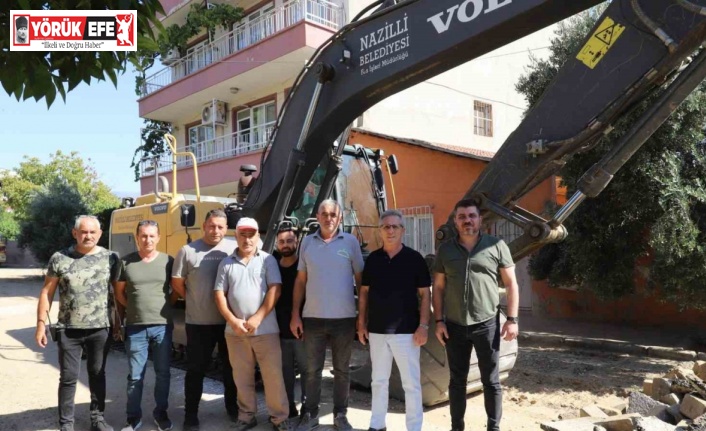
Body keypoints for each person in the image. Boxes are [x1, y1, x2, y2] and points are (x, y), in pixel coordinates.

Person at [432, 199, 520, 431]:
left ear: (480, 220)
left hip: (487, 324)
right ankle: (457, 427)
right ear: (455, 221)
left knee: (491, 381)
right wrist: (438, 321)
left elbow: (512, 284)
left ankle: (493, 427)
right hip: (454, 325)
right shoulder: (445, 250)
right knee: (457, 382)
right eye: (462, 217)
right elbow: (438, 287)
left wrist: (512, 320)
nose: (467, 220)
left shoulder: (497, 245)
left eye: (471, 216)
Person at [35, 215, 120, 431]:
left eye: (93, 232)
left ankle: (97, 419)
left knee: (98, 374)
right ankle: (66, 424)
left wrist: (119, 323)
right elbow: (47, 292)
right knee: (69, 378)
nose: (88, 236)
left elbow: (117, 293)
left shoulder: (111, 258)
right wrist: (40, 324)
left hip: (100, 329)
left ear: (100, 234)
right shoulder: (60, 258)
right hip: (68, 329)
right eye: (83, 232)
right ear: (75, 233)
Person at [291, 199, 364, 431]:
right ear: (318, 216)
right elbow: (300, 281)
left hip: (344, 320)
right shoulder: (307, 243)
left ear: (340, 217)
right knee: (311, 371)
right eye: (324, 213)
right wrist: (295, 314)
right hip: (312, 319)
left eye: (333, 213)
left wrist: (362, 316)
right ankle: (310, 414)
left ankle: (340, 415)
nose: (328, 217)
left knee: (342, 371)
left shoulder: (351, 242)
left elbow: (362, 282)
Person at [214, 217, 292, 431]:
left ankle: (279, 418)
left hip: (266, 330)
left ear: (258, 236)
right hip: (235, 332)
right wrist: (233, 320)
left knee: (273, 376)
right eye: (243, 234)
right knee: (242, 378)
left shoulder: (268, 260)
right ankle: (247, 416)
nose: (247, 239)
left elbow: (275, 289)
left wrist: (258, 317)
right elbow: (220, 294)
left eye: (251, 234)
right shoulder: (226, 263)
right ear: (236, 236)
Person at [357, 210, 431, 431]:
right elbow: (364, 293)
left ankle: (414, 427)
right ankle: (377, 425)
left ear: (402, 230)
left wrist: (424, 326)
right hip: (377, 332)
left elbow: (425, 294)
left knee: (411, 384)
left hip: (407, 332)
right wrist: (361, 323)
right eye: (386, 227)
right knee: (378, 382)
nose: (390, 231)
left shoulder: (414, 259)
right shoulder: (373, 260)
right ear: (380, 231)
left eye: (394, 226)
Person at [172, 209, 238, 431]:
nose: (216, 230)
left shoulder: (234, 248)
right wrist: (194, 298)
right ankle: (191, 415)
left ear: (226, 227)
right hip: (198, 323)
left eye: (220, 226)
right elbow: (178, 283)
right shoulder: (188, 251)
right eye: (211, 226)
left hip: (229, 322)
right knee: (196, 371)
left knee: (232, 369)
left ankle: (233, 408)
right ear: (203, 226)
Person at [114, 220, 174, 431]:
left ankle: (161, 414)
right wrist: (132, 309)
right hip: (136, 327)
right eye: (143, 236)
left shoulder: (169, 261)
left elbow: (175, 290)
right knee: (135, 376)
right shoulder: (125, 262)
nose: (147, 240)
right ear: (137, 237)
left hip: (162, 326)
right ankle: (133, 418)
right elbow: (119, 292)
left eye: (151, 236)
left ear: (158, 237)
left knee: (163, 373)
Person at [274, 228, 307, 419]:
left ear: (296, 243)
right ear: (277, 245)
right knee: (284, 372)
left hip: (302, 329)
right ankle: (289, 409)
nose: (286, 245)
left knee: (306, 370)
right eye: (282, 241)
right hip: (278, 329)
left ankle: (306, 408)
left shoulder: (303, 267)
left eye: (290, 241)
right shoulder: (272, 266)